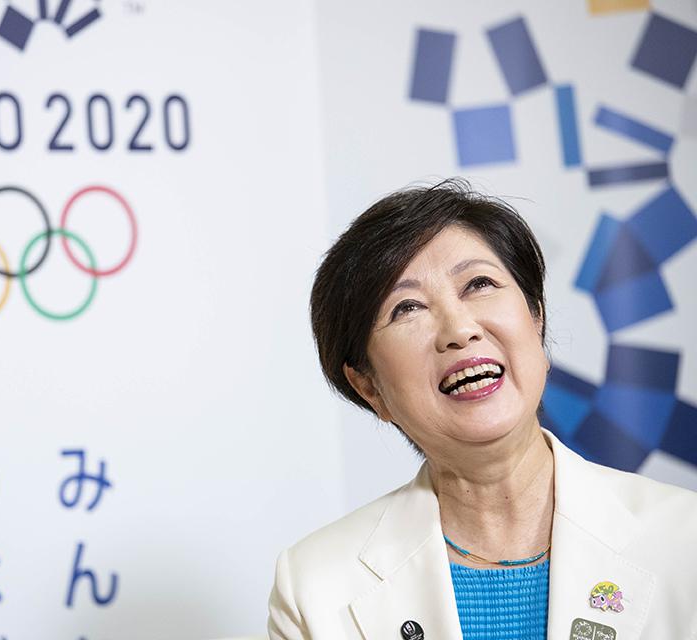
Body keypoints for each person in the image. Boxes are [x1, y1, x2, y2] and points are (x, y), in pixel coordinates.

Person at [267, 179, 697, 640]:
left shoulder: (684, 538)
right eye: (407, 307)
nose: (459, 328)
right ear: (370, 387)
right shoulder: (316, 587)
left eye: (478, 283)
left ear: (536, 319)